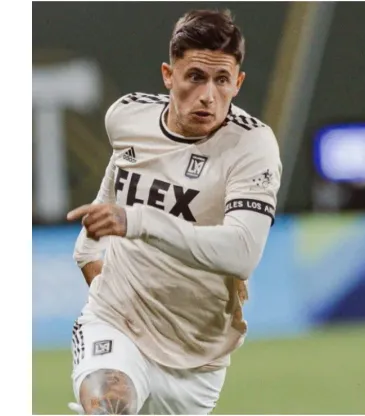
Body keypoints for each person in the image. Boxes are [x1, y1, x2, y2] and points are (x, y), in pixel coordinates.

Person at [65, 9, 281, 415]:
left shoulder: (252, 146)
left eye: (221, 81)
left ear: (238, 82)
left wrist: (139, 221)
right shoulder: (127, 117)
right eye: (195, 76)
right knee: (111, 408)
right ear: (169, 75)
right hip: (115, 323)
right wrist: (93, 264)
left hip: (196, 361)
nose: (208, 95)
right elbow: (108, 199)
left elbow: (242, 252)